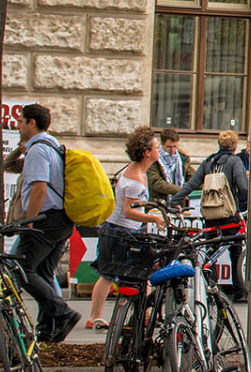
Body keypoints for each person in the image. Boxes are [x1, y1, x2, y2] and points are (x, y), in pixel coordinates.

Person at [14, 103, 81, 342]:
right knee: (43, 271)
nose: (17, 125)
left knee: (19, 269)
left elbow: (39, 188)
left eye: (21, 121)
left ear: (32, 123)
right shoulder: (53, 145)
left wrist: (29, 221)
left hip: (44, 219)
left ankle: (62, 312)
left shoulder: (38, 151)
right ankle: (48, 326)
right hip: (61, 219)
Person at [91, 126, 164, 330]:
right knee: (127, 273)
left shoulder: (136, 169)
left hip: (118, 229)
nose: (159, 151)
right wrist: (153, 218)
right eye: (157, 147)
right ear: (147, 152)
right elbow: (128, 211)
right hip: (121, 231)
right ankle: (145, 314)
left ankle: (145, 314)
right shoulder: (135, 178)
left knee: (113, 274)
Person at [176, 131, 251, 300]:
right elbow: (244, 188)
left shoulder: (209, 162)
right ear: (234, 146)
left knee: (211, 251)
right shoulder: (234, 161)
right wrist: (241, 205)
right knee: (236, 252)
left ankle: (212, 288)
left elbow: (192, 184)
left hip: (210, 214)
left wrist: (174, 201)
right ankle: (239, 292)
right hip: (228, 215)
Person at [147, 127, 192, 199]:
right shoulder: (154, 158)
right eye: (168, 147)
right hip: (159, 202)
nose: (172, 150)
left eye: (174, 146)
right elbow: (156, 182)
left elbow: (192, 177)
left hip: (178, 202)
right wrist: (179, 191)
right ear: (162, 144)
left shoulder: (182, 158)